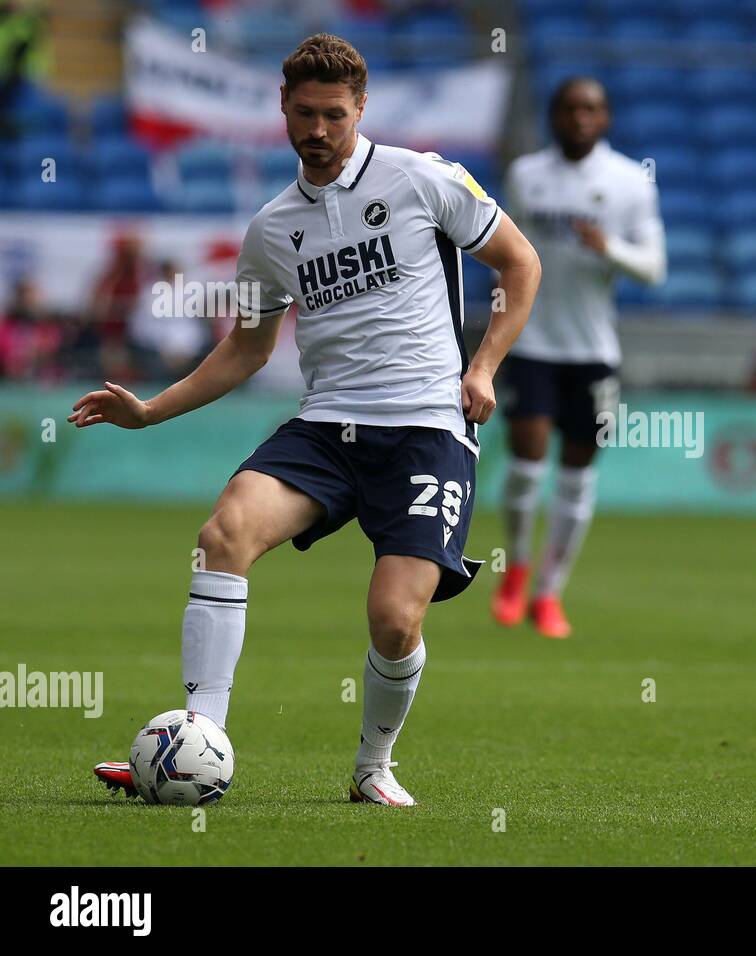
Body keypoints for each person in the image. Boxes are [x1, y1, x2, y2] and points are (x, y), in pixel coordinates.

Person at [75, 34, 540, 806]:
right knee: (223, 536)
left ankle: (372, 767)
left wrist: (484, 365)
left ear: (361, 109)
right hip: (327, 428)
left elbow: (521, 265)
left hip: (426, 429)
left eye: (333, 114)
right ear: (282, 110)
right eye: (303, 114)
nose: (317, 130)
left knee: (394, 621)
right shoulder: (271, 230)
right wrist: (151, 410)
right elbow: (248, 349)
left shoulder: (423, 179)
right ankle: (197, 743)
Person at [492, 76, 666, 639]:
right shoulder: (526, 176)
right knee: (526, 463)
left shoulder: (630, 182)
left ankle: (549, 592)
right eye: (569, 108)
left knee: (576, 475)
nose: (580, 117)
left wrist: (608, 248)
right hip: (535, 341)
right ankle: (516, 568)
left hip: (594, 352)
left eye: (591, 108)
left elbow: (655, 268)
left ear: (606, 117)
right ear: (554, 116)